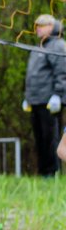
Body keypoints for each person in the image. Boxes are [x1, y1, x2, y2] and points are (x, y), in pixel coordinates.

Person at [23, 14, 66, 176]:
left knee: (50, 139)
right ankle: (43, 172)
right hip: (35, 100)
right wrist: (28, 97)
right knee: (39, 139)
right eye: (37, 26)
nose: (38, 29)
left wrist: (58, 95)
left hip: (50, 101)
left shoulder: (58, 46)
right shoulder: (39, 46)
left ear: (51, 26)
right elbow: (33, 75)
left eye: (42, 25)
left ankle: (52, 172)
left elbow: (62, 73)